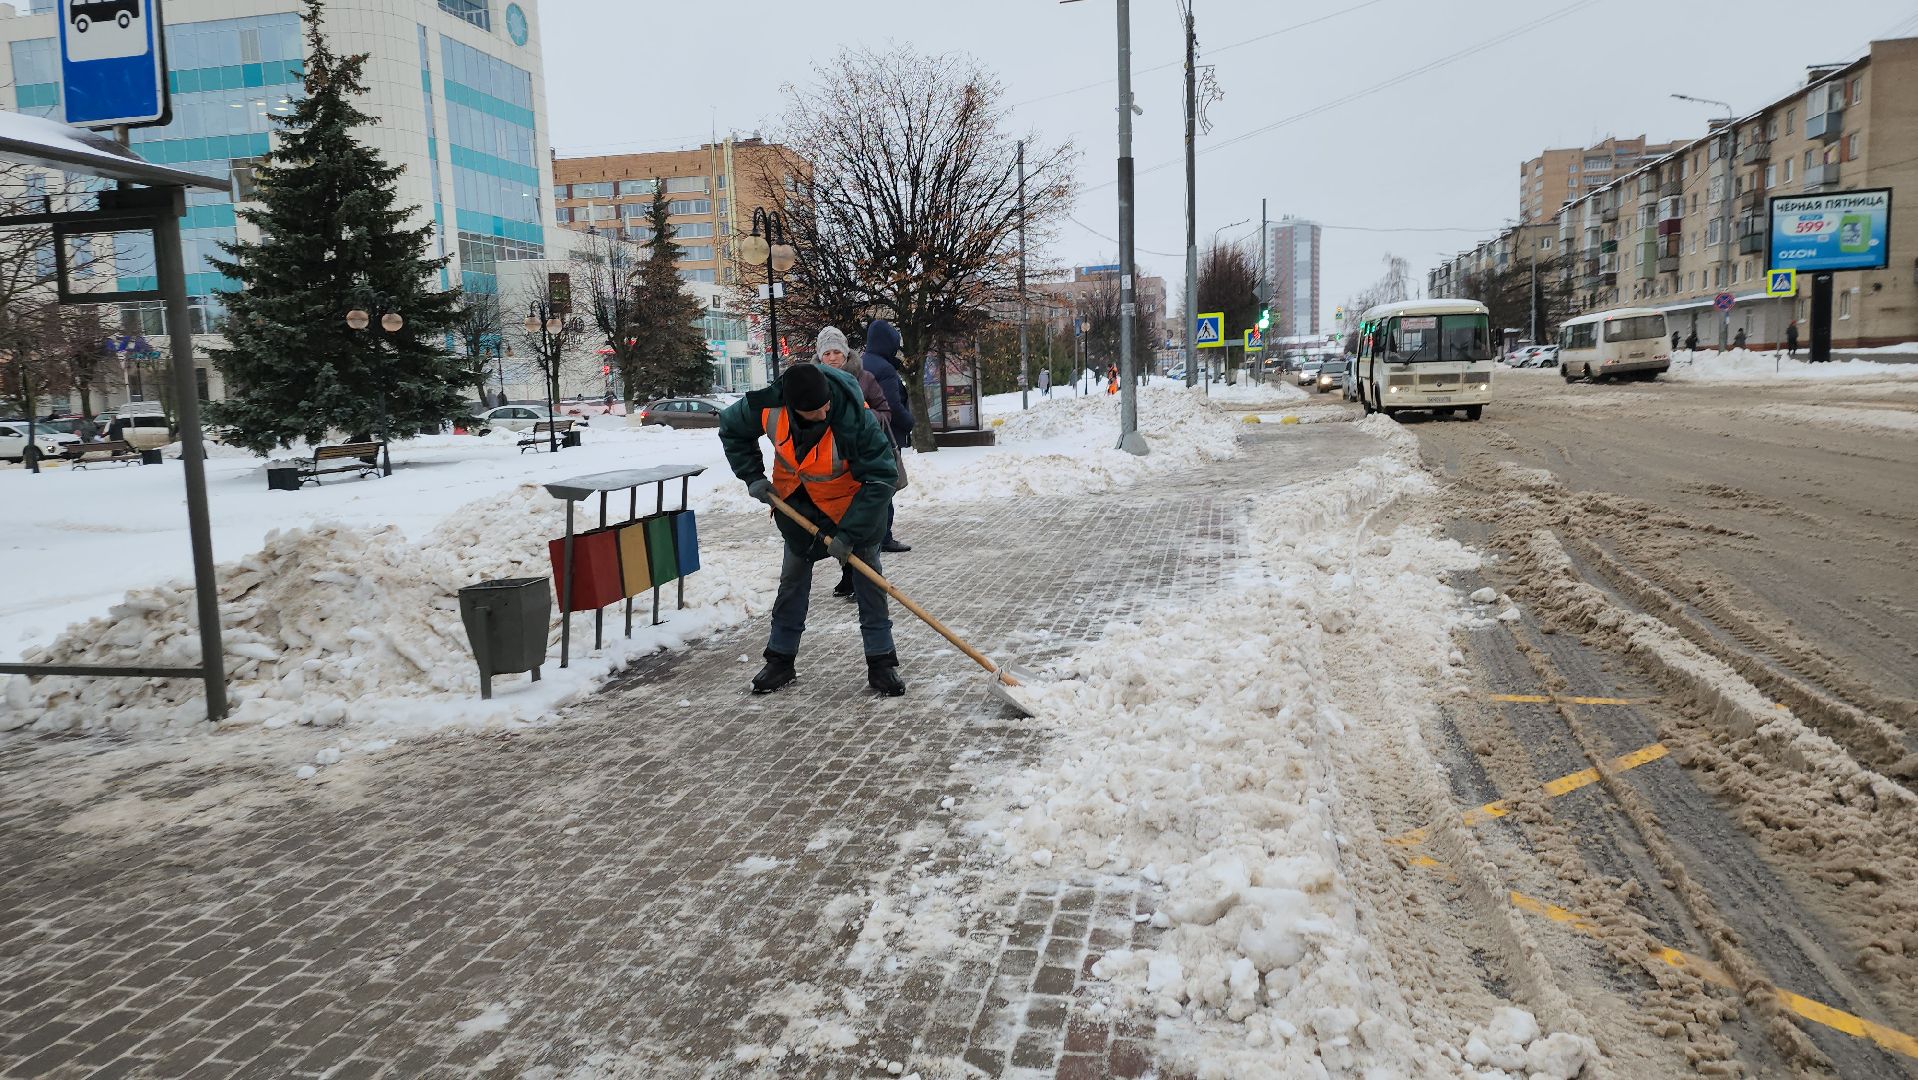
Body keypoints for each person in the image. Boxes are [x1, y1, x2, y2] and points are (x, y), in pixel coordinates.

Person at [719, 362, 904, 697]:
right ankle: (780, 659)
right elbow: (731, 427)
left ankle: (881, 663)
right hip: (797, 506)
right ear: (794, 408)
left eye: (826, 406)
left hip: (851, 508)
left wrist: (849, 534)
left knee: (870, 583)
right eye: (815, 411)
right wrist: (753, 477)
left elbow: (880, 478)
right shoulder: (769, 406)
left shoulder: (855, 417)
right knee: (792, 582)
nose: (824, 413)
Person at [815, 326, 895, 600]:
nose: (833, 357)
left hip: (864, 463)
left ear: (846, 352)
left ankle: (871, 585)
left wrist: (864, 417)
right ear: (820, 355)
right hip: (831, 465)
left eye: (837, 351)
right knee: (840, 526)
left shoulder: (865, 378)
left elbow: (886, 412)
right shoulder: (811, 381)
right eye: (827, 353)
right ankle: (848, 575)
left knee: (866, 528)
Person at [860, 320, 912, 554]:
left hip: (864, 434)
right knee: (886, 484)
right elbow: (892, 404)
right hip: (885, 435)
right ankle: (884, 536)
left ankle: (873, 534)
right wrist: (909, 423)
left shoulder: (861, 362)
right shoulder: (885, 368)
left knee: (871, 485)